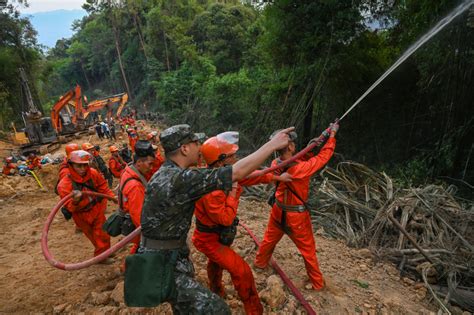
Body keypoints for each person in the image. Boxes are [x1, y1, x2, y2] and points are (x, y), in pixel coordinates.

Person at [135, 124, 294, 313]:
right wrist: (271, 146)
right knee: (237, 277)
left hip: (171, 254)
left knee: (211, 273)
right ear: (184, 149)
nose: (199, 147)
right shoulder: (185, 181)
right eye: (195, 142)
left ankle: (216, 290)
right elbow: (227, 214)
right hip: (171, 258)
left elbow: (248, 176)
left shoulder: (182, 176)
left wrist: (274, 178)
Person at [192, 132, 292, 315]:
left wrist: (276, 178)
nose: (236, 158)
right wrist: (233, 193)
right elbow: (225, 218)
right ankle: (254, 311)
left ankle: (216, 290)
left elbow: (252, 175)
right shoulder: (210, 190)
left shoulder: (224, 174)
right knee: (242, 271)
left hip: (218, 235)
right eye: (231, 156)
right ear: (221, 161)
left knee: (216, 264)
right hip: (208, 239)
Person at [254, 122, 339, 291]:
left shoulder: (275, 163)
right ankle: (316, 283)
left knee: (269, 240)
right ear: (291, 146)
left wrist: (311, 146)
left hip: (278, 211)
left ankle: (260, 264)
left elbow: (296, 159)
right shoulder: (300, 169)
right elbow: (323, 158)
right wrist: (332, 137)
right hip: (296, 217)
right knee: (308, 250)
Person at [56, 150, 116, 257]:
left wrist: (111, 196)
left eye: (84, 165)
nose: (83, 169)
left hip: (95, 209)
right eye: (79, 166)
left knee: (103, 234)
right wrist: (75, 201)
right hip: (80, 215)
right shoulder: (64, 185)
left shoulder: (93, 173)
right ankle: (102, 256)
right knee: (93, 237)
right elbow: (69, 207)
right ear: (71, 165)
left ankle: (104, 253)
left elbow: (102, 186)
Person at [120, 140, 156, 255]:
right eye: (150, 164)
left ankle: (126, 267)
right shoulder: (135, 186)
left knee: (138, 247)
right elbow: (139, 219)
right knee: (143, 248)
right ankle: (129, 269)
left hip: (129, 219)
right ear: (139, 162)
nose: (151, 168)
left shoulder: (128, 170)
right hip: (135, 224)